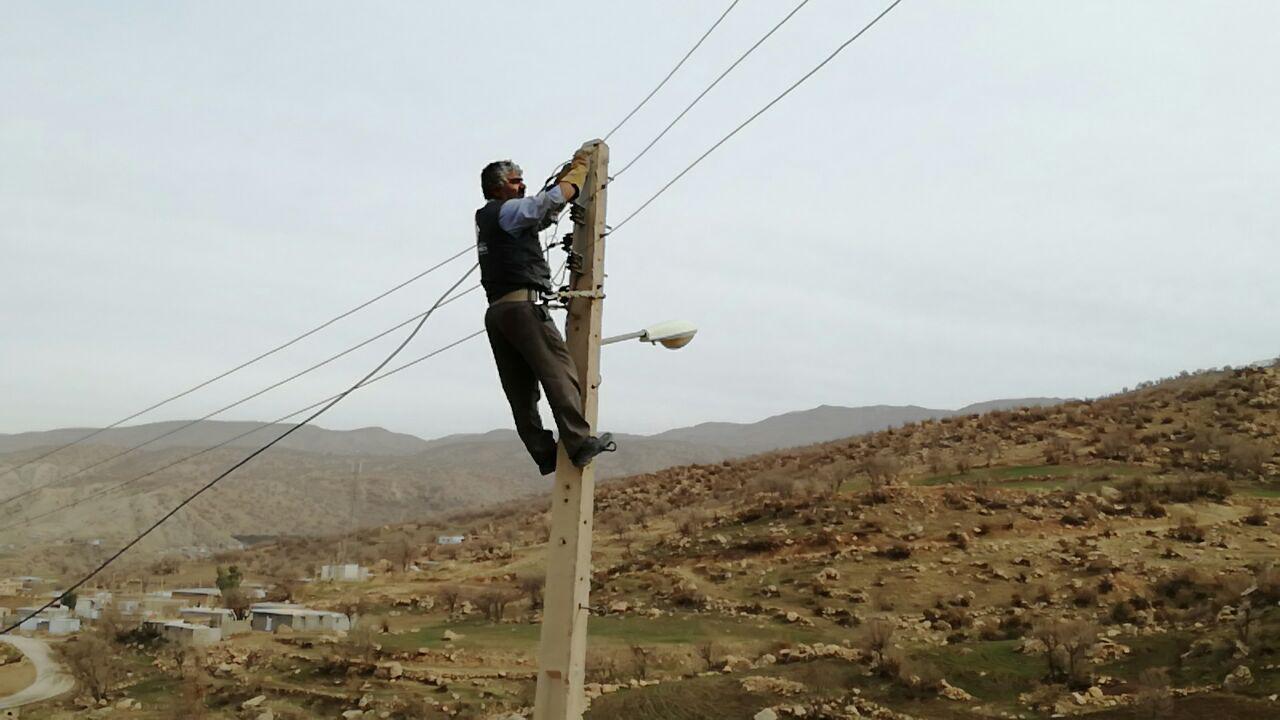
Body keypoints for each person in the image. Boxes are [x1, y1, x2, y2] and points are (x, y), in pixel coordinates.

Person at [476, 141, 615, 476]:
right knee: (559, 372)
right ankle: (578, 442)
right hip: (523, 307)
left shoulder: (490, 218)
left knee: (520, 392)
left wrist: (562, 183)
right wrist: (578, 171)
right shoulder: (506, 212)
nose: (522, 185)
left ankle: (544, 453)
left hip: (498, 313)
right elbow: (547, 203)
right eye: (515, 181)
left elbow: (541, 214)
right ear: (497, 187)